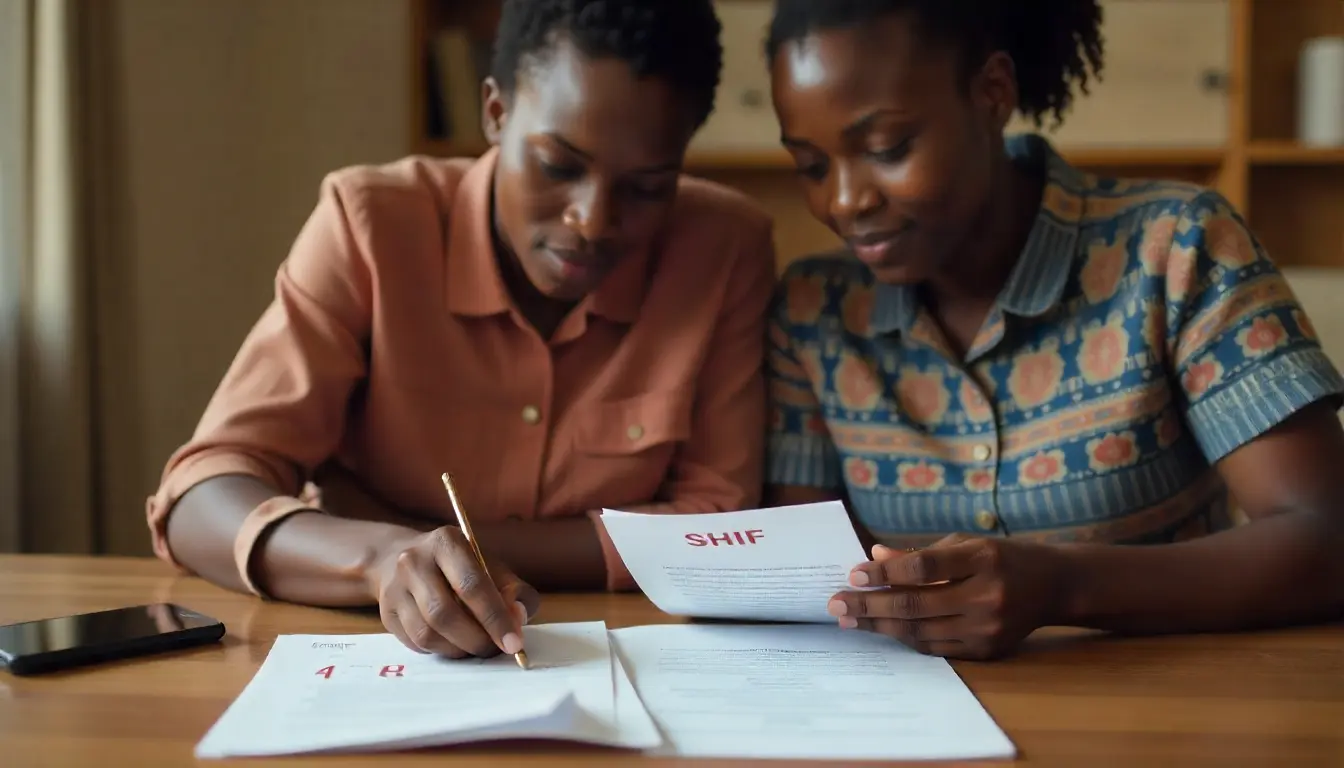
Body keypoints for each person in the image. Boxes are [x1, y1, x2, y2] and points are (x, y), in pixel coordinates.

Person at [146, 0, 776, 660]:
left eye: (647, 187)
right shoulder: (370, 225)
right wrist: (379, 559)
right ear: (495, 113)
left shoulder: (723, 247)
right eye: (559, 166)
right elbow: (199, 495)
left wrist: (421, 534)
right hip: (369, 647)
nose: (593, 220)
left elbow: (719, 531)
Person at [763, 0, 1344, 660]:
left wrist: (1064, 585)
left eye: (887, 148)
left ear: (992, 92)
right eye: (811, 166)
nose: (844, 201)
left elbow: (1327, 537)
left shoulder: (1175, 248)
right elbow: (799, 577)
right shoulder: (814, 312)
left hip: (1175, 720)